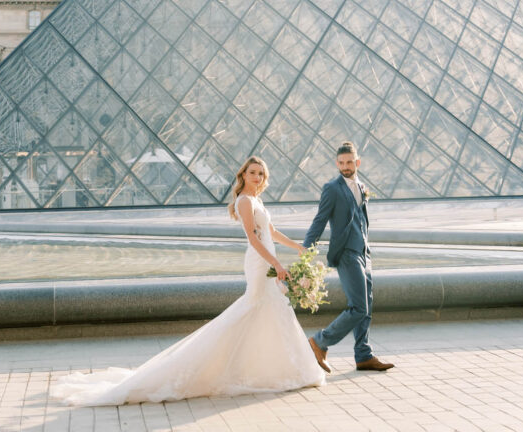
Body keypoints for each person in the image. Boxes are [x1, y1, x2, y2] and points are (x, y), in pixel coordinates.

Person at [52, 156, 324, 406]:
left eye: (261, 173)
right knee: (253, 308)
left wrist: (298, 248)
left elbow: (271, 231)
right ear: (243, 174)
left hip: (267, 258)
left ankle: (274, 368)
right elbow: (254, 240)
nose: (257, 176)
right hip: (259, 262)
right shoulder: (244, 201)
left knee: (269, 310)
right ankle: (240, 365)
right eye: (252, 172)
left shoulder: (257, 200)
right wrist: (276, 263)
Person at [303, 141, 394, 373]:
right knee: (359, 307)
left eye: (349, 162)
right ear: (337, 163)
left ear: (357, 162)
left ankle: (364, 355)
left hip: (364, 253)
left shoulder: (362, 186)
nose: (345, 167)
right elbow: (320, 220)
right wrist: (307, 250)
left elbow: (361, 221)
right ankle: (319, 341)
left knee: (368, 305)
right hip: (346, 253)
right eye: (341, 163)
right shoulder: (332, 188)